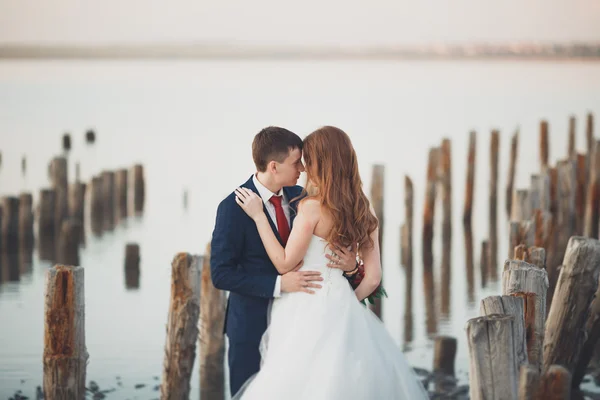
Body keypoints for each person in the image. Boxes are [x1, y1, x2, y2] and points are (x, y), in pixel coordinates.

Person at [232, 126, 429, 399]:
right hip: (342, 303)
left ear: (320, 164)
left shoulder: (311, 208)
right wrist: (347, 301)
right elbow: (373, 278)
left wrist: (258, 217)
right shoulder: (365, 208)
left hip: (304, 303)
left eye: (307, 160)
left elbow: (284, 264)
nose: (302, 167)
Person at [210, 126, 359, 397]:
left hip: (300, 323)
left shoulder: (302, 198)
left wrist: (351, 266)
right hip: (250, 326)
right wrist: (279, 284)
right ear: (274, 166)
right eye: (296, 162)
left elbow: (323, 255)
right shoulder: (233, 207)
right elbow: (221, 274)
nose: (302, 168)